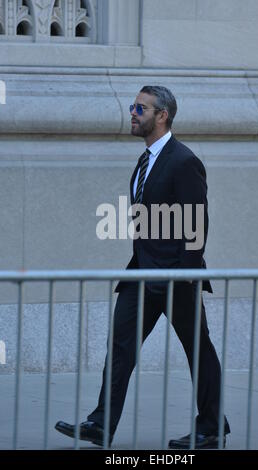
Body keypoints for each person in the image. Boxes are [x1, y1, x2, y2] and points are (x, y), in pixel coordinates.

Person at [55, 85, 230, 449]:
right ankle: (101, 424)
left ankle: (211, 427)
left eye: (140, 108)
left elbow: (197, 225)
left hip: (175, 277)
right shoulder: (146, 159)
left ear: (161, 115)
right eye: (134, 107)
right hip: (142, 273)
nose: (132, 113)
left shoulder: (183, 161)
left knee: (198, 351)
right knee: (120, 348)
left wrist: (186, 274)